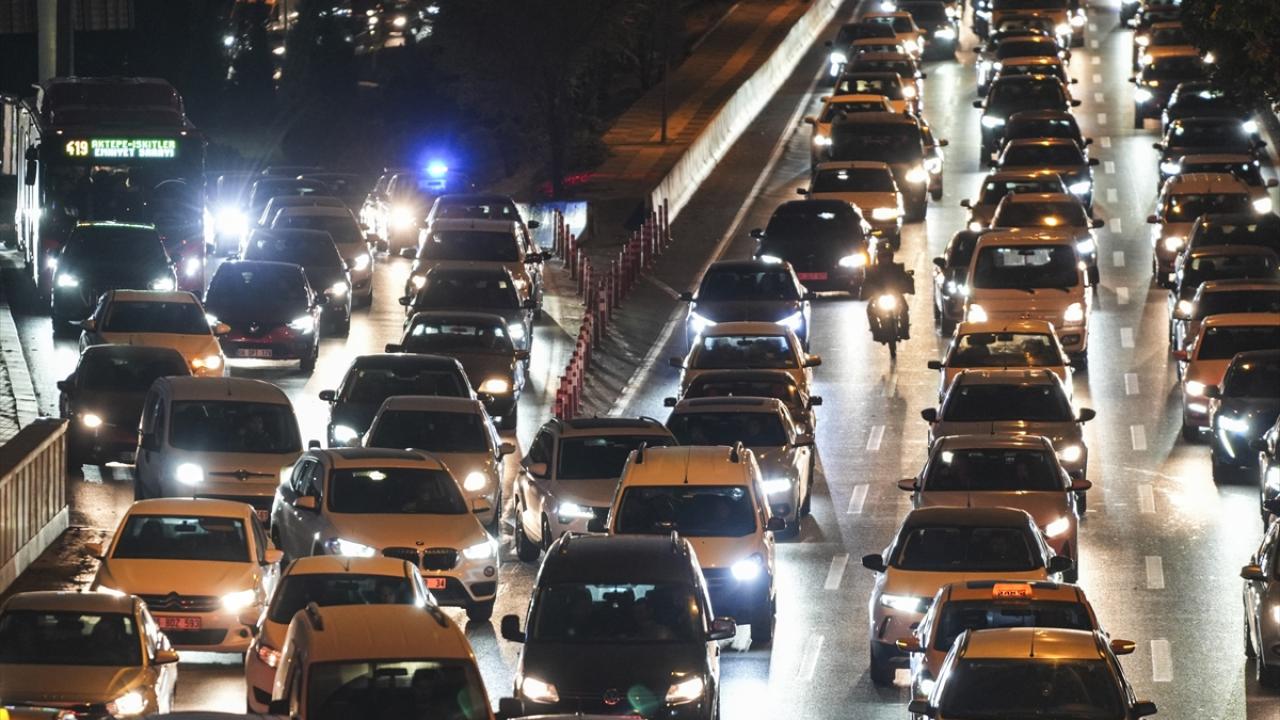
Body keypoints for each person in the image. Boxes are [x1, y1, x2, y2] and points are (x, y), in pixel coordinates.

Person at [863, 247, 914, 340]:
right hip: (878, 296)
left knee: (904, 308)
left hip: (895, 294)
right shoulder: (872, 270)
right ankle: (876, 331)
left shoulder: (897, 268)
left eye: (887, 256)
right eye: (883, 256)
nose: (885, 259)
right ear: (879, 257)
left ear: (891, 257)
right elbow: (867, 282)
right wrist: (867, 290)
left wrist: (907, 281)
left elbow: (904, 277)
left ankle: (904, 330)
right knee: (870, 310)